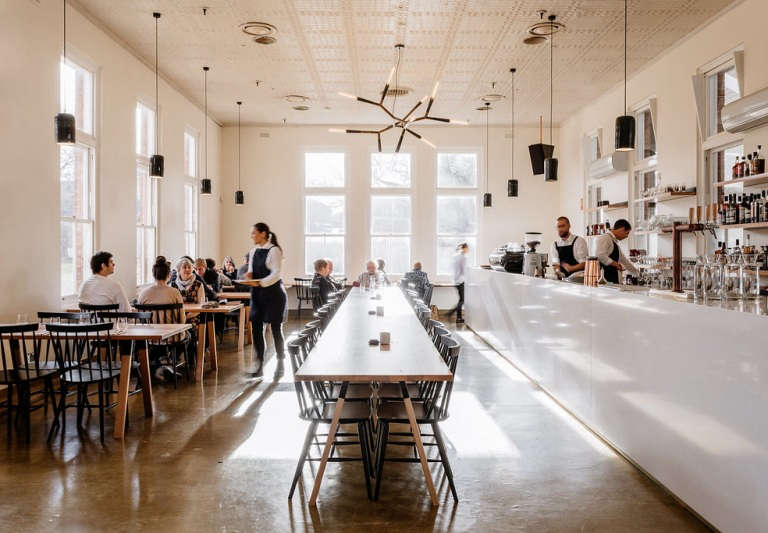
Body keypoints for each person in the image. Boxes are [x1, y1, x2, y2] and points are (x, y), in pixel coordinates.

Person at [244, 222, 287, 380]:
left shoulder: (274, 250)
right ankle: (259, 365)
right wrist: (248, 276)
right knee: (256, 330)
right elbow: (251, 271)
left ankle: (281, 362)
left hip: (274, 294)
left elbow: (276, 273)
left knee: (276, 329)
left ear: (263, 233)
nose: (252, 236)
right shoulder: (253, 251)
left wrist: (260, 282)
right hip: (257, 294)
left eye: (254, 233)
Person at [595, 219, 640, 283]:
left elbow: (625, 261)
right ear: (622, 229)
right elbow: (600, 255)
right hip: (605, 282)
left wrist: (637, 273)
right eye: (627, 233)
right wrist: (616, 264)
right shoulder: (605, 238)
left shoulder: (613, 241)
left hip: (613, 281)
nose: (627, 236)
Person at [449, 243, 468, 323]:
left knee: (461, 300)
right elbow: (464, 270)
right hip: (461, 281)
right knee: (462, 300)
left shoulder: (456, 256)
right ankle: (453, 315)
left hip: (456, 280)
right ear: (464, 248)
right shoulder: (463, 257)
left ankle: (457, 317)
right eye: (467, 248)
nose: (468, 250)